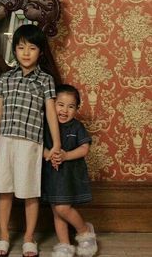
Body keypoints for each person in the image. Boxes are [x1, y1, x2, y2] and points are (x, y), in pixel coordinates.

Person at [0, 24, 61, 257]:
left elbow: (50, 113)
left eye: (32, 48)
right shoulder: (6, 79)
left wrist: (56, 144)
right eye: (21, 48)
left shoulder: (45, 80)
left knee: (30, 191)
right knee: (4, 190)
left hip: (31, 143)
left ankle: (29, 238)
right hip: (6, 141)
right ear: (15, 50)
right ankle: (4, 236)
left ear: (40, 51)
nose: (26, 53)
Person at [42, 84, 97, 257]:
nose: (64, 110)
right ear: (51, 105)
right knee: (56, 210)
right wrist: (49, 155)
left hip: (69, 175)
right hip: (51, 174)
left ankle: (84, 231)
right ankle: (64, 244)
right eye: (60, 104)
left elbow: (84, 149)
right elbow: (38, 146)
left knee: (62, 208)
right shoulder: (46, 126)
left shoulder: (77, 127)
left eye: (70, 106)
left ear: (77, 108)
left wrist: (66, 156)